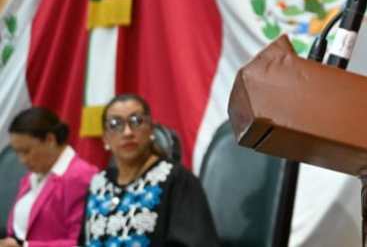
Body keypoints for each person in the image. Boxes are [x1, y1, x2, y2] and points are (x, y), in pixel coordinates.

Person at [78, 94, 219, 247]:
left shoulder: (177, 180)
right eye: (115, 124)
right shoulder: (99, 184)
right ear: (105, 138)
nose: (127, 132)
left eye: (136, 121)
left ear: (151, 129)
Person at [3, 107, 97, 247]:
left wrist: (26, 246)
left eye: (26, 151)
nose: (22, 160)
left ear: (50, 139)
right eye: (18, 153)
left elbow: (81, 243)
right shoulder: (34, 174)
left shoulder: (81, 176)